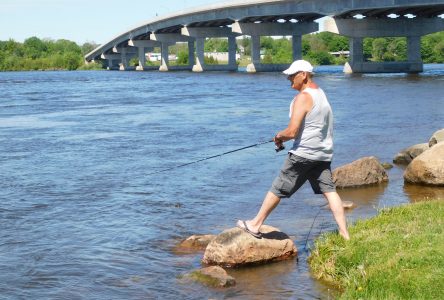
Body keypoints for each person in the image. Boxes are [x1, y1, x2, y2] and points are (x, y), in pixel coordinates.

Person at [237, 59, 350, 240]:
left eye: (292, 75)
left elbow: (292, 131)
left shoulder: (303, 97)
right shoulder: (320, 93)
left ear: (303, 75)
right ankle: (345, 235)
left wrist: (278, 137)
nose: (289, 79)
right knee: (330, 191)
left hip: (303, 154)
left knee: (278, 187)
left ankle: (255, 224)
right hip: (323, 154)